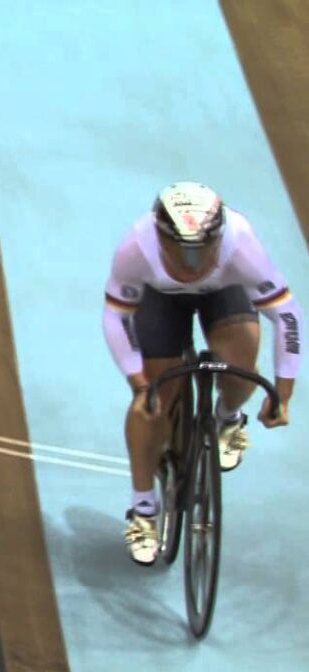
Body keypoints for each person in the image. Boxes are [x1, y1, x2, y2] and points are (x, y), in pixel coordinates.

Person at [102, 181, 302, 565]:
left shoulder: (242, 246)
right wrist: (140, 384)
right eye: (179, 250)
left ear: (219, 237)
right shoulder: (136, 248)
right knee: (153, 404)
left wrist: (283, 394)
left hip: (224, 291)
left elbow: (288, 318)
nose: (190, 262)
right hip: (159, 299)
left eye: (201, 250)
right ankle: (143, 509)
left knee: (241, 369)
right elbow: (117, 316)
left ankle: (229, 417)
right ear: (160, 238)